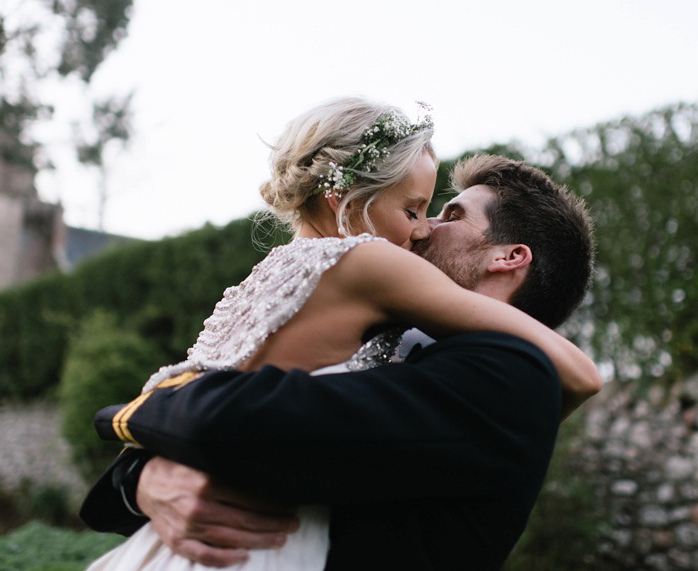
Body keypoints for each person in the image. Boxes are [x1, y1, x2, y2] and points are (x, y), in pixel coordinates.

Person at [81, 103, 601, 570]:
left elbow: (249, 421)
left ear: (507, 257)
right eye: (418, 210)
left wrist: (136, 416)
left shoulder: (510, 379)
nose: (423, 230)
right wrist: (142, 482)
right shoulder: (368, 309)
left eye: (448, 214)